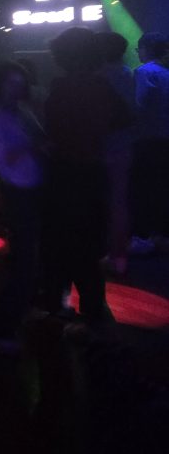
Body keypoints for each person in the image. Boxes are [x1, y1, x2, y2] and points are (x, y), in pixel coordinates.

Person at [43, 28, 131, 322]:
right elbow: (125, 119)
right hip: (92, 169)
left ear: (61, 54)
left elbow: (53, 129)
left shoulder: (61, 86)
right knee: (87, 243)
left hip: (62, 170)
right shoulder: (101, 86)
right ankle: (93, 310)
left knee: (60, 240)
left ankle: (57, 304)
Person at [0, 62, 46, 352]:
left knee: (28, 259)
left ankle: (22, 311)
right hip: (18, 193)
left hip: (32, 189)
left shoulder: (21, 111)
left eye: (20, 83)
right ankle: (0, 325)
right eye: (11, 83)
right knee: (24, 263)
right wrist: (32, 145)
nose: (17, 89)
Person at [96, 32, 135, 274]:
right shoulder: (128, 74)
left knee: (102, 201)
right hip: (124, 144)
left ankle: (107, 253)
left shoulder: (100, 77)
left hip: (102, 146)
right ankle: (119, 256)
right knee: (119, 201)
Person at [132, 32, 169, 253]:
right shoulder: (166, 72)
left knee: (146, 188)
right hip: (165, 138)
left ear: (146, 49)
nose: (139, 53)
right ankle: (162, 234)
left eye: (139, 49)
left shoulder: (145, 72)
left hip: (148, 139)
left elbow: (139, 105)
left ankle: (145, 237)